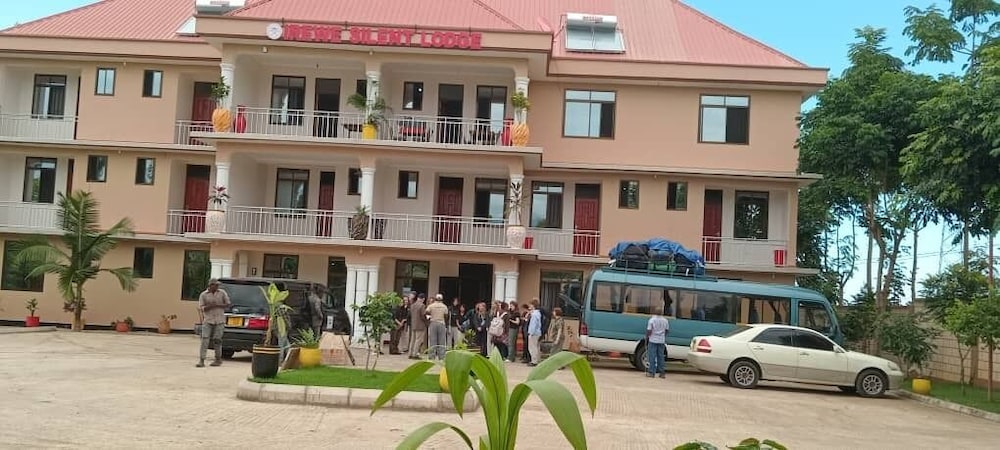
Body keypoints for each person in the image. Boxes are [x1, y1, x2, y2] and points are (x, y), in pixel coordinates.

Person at [197, 278, 231, 368]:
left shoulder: (222, 293)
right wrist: (210, 306)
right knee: (205, 339)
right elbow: (201, 308)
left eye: (217, 285)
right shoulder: (203, 295)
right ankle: (201, 360)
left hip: (219, 320)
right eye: (215, 285)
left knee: (217, 339)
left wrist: (218, 305)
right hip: (208, 320)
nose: (217, 287)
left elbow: (228, 304)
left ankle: (218, 359)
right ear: (210, 285)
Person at [645, 310, 670, 378]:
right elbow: (667, 330)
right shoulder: (665, 320)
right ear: (662, 313)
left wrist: (647, 336)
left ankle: (651, 372)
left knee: (652, 356)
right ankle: (662, 373)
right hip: (661, 340)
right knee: (661, 356)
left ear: (655, 312)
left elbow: (649, 330)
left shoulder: (652, 320)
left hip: (653, 340)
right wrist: (663, 335)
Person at [426, 294, 449, 360]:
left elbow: (426, 312)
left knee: (432, 341)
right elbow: (446, 316)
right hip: (441, 323)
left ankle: (431, 356)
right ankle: (441, 357)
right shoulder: (444, 306)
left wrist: (429, 318)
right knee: (442, 341)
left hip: (433, 323)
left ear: (435, 299)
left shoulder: (431, 306)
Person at [408, 293, 428, 359]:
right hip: (420, 325)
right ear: (423, 299)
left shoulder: (412, 305)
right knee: (418, 340)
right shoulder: (422, 305)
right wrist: (427, 321)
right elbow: (423, 315)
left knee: (412, 340)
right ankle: (415, 354)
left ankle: (410, 353)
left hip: (413, 324)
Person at [526, 299, 543, 366]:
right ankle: (537, 360)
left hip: (534, 333)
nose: (529, 306)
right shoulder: (538, 313)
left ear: (533, 305)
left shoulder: (534, 314)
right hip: (538, 332)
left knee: (532, 347)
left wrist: (531, 333)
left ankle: (534, 361)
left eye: (530, 304)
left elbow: (533, 324)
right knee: (537, 347)